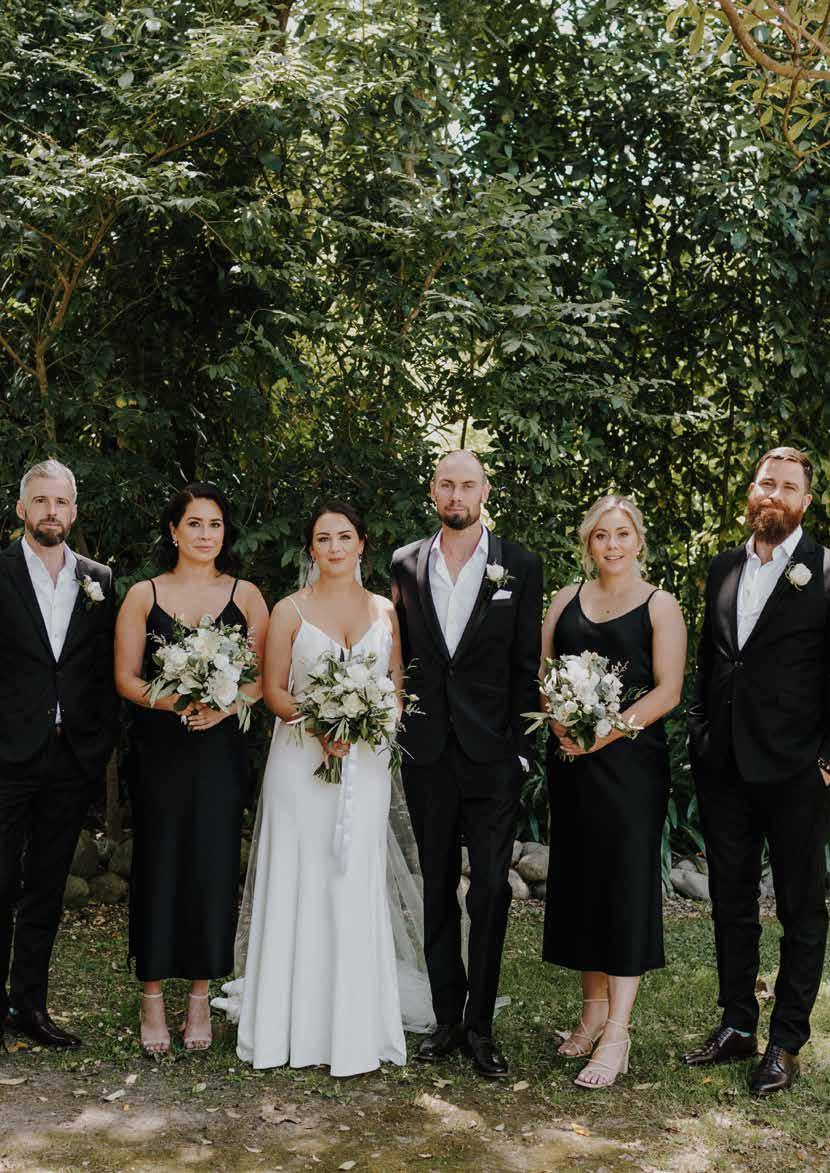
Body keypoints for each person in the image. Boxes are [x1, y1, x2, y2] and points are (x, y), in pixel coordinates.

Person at [228, 501, 427, 1077]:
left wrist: (369, 722)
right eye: (323, 538)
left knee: (352, 877)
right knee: (301, 876)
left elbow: (395, 686)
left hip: (366, 764)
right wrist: (320, 724)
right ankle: (287, 1026)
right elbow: (273, 690)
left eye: (344, 537)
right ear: (311, 548)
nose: (334, 547)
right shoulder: (289, 610)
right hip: (300, 762)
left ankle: (355, 1027)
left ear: (362, 543)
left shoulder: (386, 610)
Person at [391, 450, 544, 1079]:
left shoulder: (520, 565)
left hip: (492, 756)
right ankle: (446, 1020)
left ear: (485, 490)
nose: (457, 494)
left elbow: (526, 664)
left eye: (468, 485)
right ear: (433, 491)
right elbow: (402, 654)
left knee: (488, 892)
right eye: (446, 484)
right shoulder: (405, 563)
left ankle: (481, 1026)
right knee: (435, 888)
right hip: (427, 752)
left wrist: (521, 750)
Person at [684, 446, 830, 1096]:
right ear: (752, 490)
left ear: (805, 500)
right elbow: (713, 660)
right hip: (724, 765)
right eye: (766, 482)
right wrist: (700, 734)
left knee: (801, 908)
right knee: (731, 901)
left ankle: (786, 1041)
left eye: (788, 486)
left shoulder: (824, 570)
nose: (774, 493)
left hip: (798, 769)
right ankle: (738, 1022)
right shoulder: (724, 566)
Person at [114, 483, 268, 1056]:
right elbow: (125, 678)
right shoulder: (144, 595)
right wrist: (175, 700)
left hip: (221, 752)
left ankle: (201, 996)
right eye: (195, 524)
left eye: (215, 524)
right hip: (161, 751)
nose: (206, 534)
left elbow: (264, 677)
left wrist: (225, 706)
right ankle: (152, 997)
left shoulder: (246, 596)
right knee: (158, 864)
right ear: (174, 531)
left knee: (213, 865)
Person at [541, 495, 686, 1088]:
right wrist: (560, 721)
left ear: (638, 540)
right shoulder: (564, 600)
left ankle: (619, 1033)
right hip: (572, 763)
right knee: (583, 884)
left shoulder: (660, 605)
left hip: (630, 766)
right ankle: (591, 1015)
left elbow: (667, 691)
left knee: (623, 886)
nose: (612, 545)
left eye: (622, 533)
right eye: (601, 535)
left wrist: (602, 732)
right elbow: (544, 673)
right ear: (588, 543)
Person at [0, 459, 118, 1052]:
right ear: (22, 508)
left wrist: (96, 744)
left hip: (69, 757)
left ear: (74, 510)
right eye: (41, 501)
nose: (52, 511)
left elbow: (100, 667)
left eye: (61, 502)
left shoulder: (99, 579)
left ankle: (30, 1006)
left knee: (47, 887)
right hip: (6, 755)